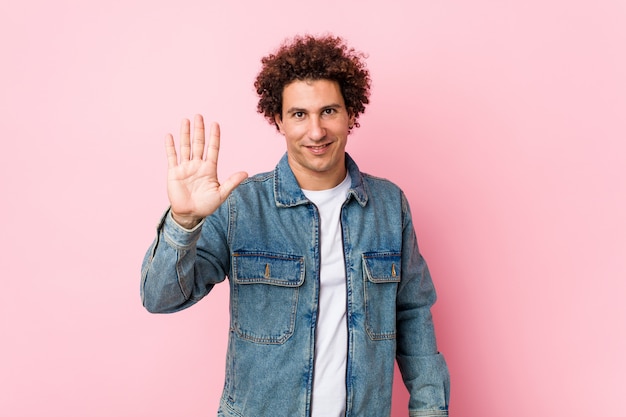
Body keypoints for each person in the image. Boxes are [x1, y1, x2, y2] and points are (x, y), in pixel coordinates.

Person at [141, 34, 450, 417]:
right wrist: (184, 222)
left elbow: (413, 314)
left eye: (329, 111)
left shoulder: (389, 206)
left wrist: (431, 410)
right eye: (299, 114)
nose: (316, 131)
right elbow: (160, 297)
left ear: (351, 113)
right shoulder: (241, 205)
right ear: (279, 120)